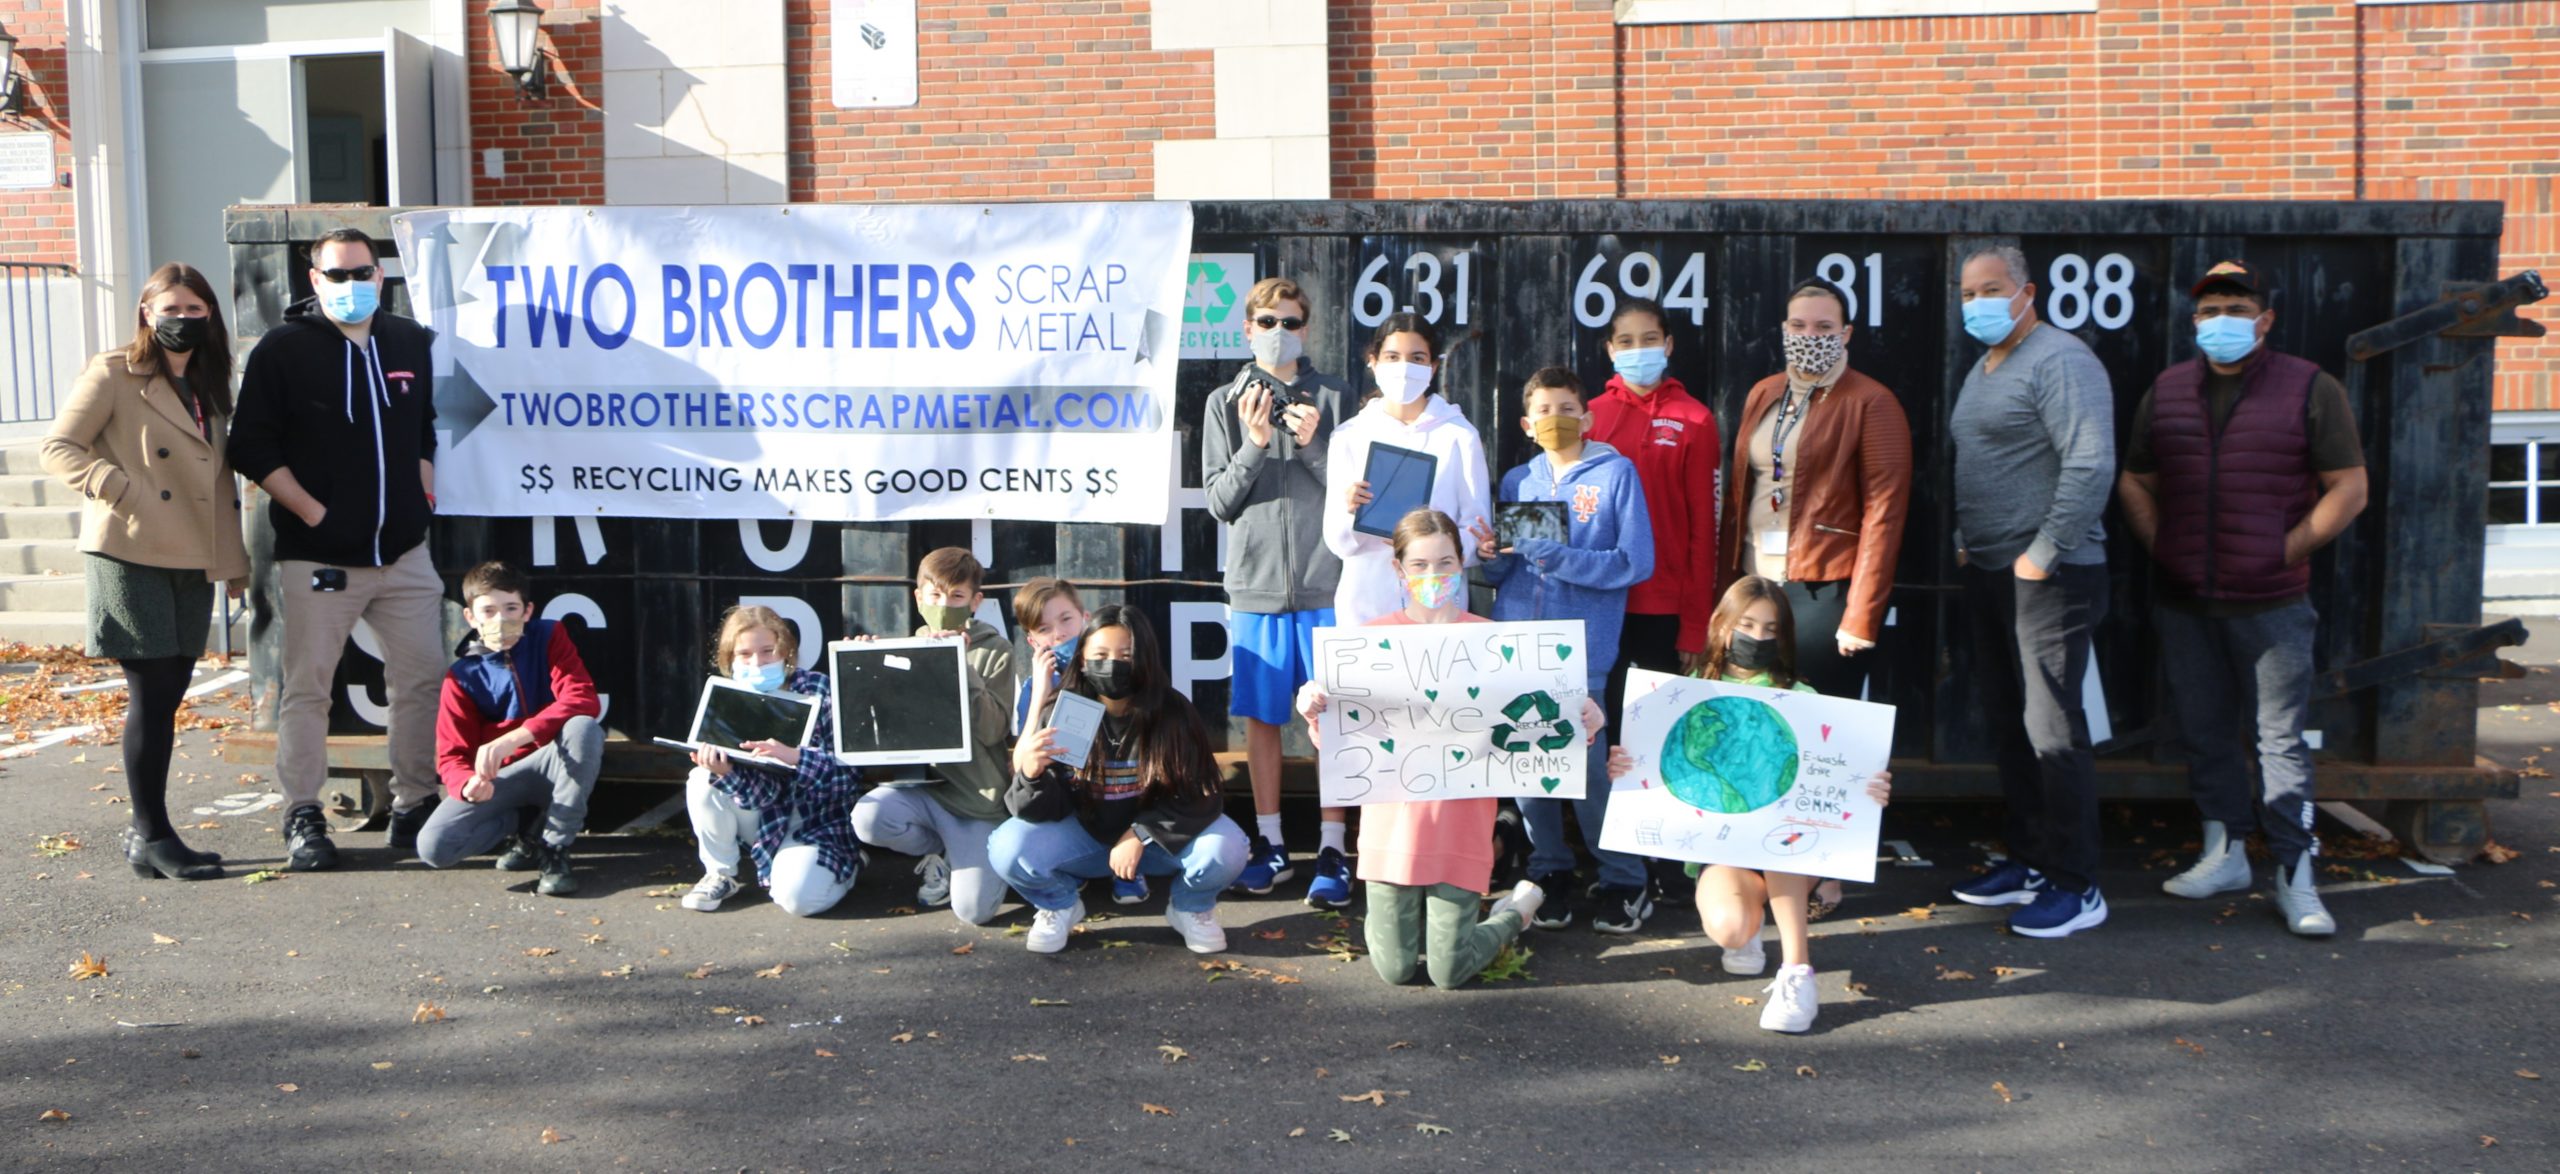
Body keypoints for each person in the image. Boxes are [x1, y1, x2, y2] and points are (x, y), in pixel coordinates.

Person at [2116, 259, 2368, 938]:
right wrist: (2161, 544)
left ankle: (2296, 875)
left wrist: (2283, 551)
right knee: (2204, 734)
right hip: (2186, 600)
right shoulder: (2167, 390)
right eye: (2208, 310)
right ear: (2193, 321)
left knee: (2278, 740)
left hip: (2272, 602)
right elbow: (2135, 479)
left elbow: (2349, 486)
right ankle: (2223, 852)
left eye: (2235, 307)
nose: (2220, 320)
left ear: (2265, 319)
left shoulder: (2309, 388)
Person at [227, 227, 443, 872]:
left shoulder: (408, 341)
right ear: (314, 280)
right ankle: (303, 812)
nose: (351, 285)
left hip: (403, 552)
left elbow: (424, 423)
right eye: (337, 274)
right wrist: (314, 512)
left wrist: (422, 484)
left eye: (362, 272)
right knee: (309, 689)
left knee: (422, 680)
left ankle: (415, 805)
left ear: (381, 275)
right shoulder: (283, 349)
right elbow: (250, 445)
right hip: (319, 557)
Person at [1295, 509, 1582, 989]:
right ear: (1399, 570)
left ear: (1462, 562)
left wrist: (1583, 717)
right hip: (1393, 835)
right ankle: (1422, 923)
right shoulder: (1369, 643)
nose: (1435, 575)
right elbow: (1343, 746)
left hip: (1460, 832)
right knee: (1395, 970)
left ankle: (1515, 912)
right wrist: (1313, 708)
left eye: (1446, 562)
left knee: (1449, 972)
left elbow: (1546, 726)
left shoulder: (1494, 643)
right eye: (1421, 565)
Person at [1605, 577, 1894, 1033]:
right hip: (1724, 851)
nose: (1757, 637)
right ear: (1722, 624)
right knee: (1731, 930)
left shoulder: (1802, 699)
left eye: (1770, 629)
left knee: (1780, 837)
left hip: (1789, 846)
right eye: (1747, 624)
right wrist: (1627, 764)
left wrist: (1867, 789)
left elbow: (1835, 779)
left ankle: (1797, 973)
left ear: (1783, 636)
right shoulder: (1682, 694)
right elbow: (1660, 769)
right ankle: (1759, 913)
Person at [42, 262, 249, 881]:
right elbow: (59, 447)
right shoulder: (114, 372)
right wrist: (118, 486)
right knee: (151, 695)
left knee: (169, 695)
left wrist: (231, 562)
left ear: (209, 315)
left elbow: (219, 482)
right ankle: (151, 833)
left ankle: (151, 835)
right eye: (170, 309)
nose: (181, 320)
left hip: (190, 552)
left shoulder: (211, 382)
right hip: (130, 547)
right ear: (145, 312)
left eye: (194, 310)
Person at [1945, 245, 2117, 940]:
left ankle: (2078, 886)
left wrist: (2043, 555)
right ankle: (2031, 860)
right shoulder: (1987, 365)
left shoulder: (2061, 359)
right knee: (2010, 723)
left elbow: (2091, 459)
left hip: (2052, 575)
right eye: (1968, 293)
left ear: (2027, 292)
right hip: (1992, 570)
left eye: (1992, 289)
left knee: (2052, 730)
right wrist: (1967, 534)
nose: (1978, 303)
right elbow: (1982, 457)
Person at [1314, 313, 1494, 907]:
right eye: (1392, 356)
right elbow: (1340, 543)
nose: (1405, 367)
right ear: (1372, 361)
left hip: (1438, 606)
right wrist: (1348, 508)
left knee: (1439, 729)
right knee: (1370, 729)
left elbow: (1478, 529)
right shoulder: (1349, 438)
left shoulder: (1457, 436)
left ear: (1435, 365)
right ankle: (1372, 868)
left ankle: (1441, 868)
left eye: (1417, 356)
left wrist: (1437, 557)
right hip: (1366, 601)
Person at [1471, 367, 1657, 933]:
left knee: (1587, 769)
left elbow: (1632, 562)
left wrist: (1549, 554)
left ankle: (1625, 877)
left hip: (1582, 649)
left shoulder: (1616, 474)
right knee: (1527, 763)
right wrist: (1489, 554)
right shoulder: (1517, 481)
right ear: (1528, 424)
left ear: (1588, 416)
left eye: (1568, 408)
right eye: (1545, 411)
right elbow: (1505, 568)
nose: (1557, 419)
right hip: (1517, 646)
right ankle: (1550, 869)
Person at [1198, 277, 1351, 900]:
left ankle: (1335, 850)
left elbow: (1351, 495)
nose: (1278, 333)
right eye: (1266, 322)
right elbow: (1220, 502)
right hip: (1257, 586)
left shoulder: (1336, 396)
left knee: (1332, 720)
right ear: (1247, 330)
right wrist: (1256, 444)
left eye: (1290, 322)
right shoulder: (1222, 402)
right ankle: (1271, 840)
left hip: (1327, 586)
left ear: (1306, 329)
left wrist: (1315, 446)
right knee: (1262, 719)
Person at [993, 605, 1247, 954]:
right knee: (1007, 846)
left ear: (1144, 660)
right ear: (1082, 660)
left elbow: (1201, 795)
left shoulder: (1171, 712)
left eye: (1126, 655)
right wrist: (1034, 776)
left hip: (1154, 844)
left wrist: (1141, 832)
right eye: (1100, 654)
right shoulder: (1066, 713)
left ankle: (1191, 908)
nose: (1112, 664)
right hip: (1084, 839)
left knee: (1228, 845)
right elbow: (1037, 813)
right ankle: (1059, 905)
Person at [1721, 277, 1914, 700]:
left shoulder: (1871, 402)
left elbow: (1885, 514)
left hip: (1821, 590)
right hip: (1756, 582)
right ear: (1785, 330)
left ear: (1846, 334)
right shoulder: (1764, 392)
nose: (1810, 336)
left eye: (1824, 328)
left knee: (1818, 718)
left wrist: (1861, 615)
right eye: (1799, 326)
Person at [852, 548, 1019, 925]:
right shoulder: (903, 650)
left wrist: (961, 667)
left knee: (974, 911)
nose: (945, 604)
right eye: (935, 595)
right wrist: (863, 673)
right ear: (919, 598)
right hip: (924, 792)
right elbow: (878, 729)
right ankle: (938, 852)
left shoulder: (997, 651)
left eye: (957, 596)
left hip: (977, 802)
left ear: (976, 601)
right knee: (868, 818)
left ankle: (977, 854)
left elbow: (993, 730)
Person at [418, 561, 602, 896]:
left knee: (584, 728)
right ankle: (524, 828)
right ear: (470, 617)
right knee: (435, 848)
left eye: (511, 608)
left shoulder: (549, 637)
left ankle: (554, 848)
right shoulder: (461, 676)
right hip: (502, 778)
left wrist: (515, 738)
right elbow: (450, 756)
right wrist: (467, 784)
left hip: (553, 761)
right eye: (488, 610)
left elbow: (583, 698)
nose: (500, 619)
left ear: (528, 611)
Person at [679, 606, 865, 917]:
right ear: (730, 660)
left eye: (768, 651)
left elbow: (847, 778)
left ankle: (845, 868)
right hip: (761, 814)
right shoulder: (728, 699)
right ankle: (721, 873)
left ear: (786, 652)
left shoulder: (819, 689)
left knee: (799, 900)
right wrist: (724, 772)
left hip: (812, 821)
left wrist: (797, 758)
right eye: (745, 654)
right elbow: (760, 795)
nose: (757, 662)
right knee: (701, 778)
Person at [1009, 577, 1088, 737]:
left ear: (1086, 618)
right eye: (1044, 629)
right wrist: (1041, 693)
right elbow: (1023, 759)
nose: (1059, 634)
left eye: (1066, 619)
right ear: (1033, 642)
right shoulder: (1033, 687)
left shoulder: (1111, 670)